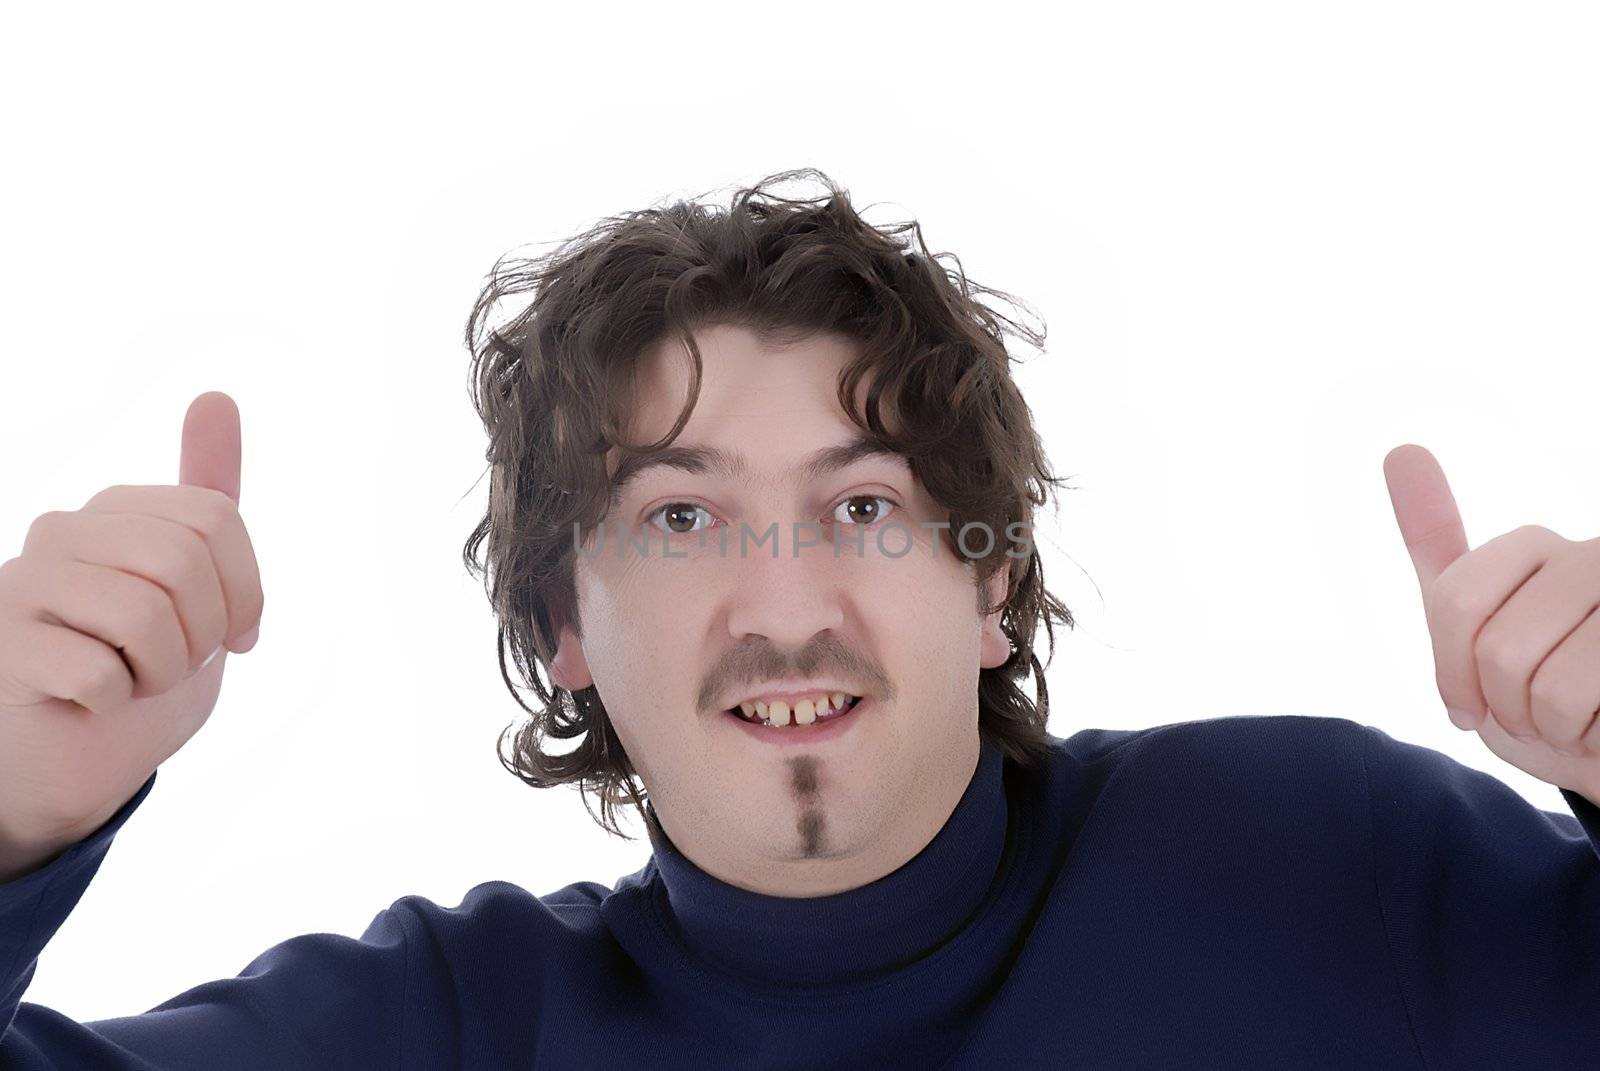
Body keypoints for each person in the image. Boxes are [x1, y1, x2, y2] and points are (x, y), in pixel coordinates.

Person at [2, 169, 1597, 1069]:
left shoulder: (1330, 860)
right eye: (681, 517)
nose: (786, 604)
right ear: (563, 626)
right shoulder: (441, 1031)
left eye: (864, 507)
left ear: (990, 585)